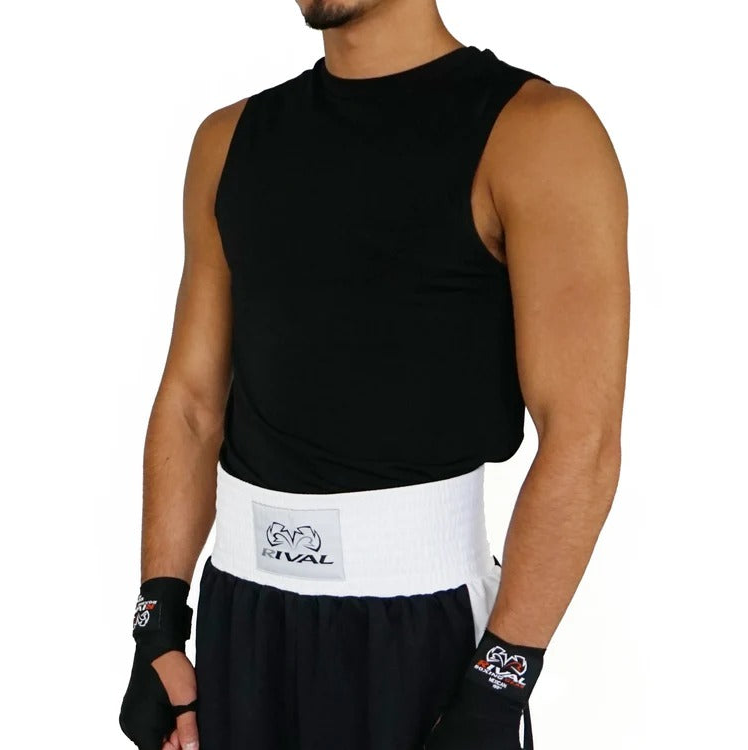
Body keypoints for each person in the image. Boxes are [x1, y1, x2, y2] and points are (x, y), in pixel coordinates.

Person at [118, 1, 629, 749]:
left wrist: (499, 685)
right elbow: (193, 404)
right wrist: (158, 620)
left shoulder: (538, 133)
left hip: (421, 633)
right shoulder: (228, 141)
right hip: (240, 626)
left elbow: (583, 441)